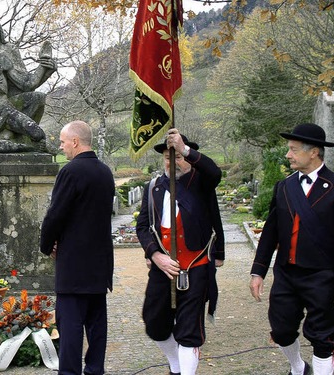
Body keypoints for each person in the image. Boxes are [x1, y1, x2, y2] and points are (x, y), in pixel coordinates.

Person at [136, 129, 225, 375]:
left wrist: (184, 148)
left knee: (189, 331)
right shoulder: (153, 187)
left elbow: (215, 172)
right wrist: (155, 255)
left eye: (177, 157)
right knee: (154, 324)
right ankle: (175, 366)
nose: (172, 162)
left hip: (195, 267)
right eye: (167, 157)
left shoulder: (201, 183)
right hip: (162, 267)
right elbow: (143, 226)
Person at [250, 123, 334, 375]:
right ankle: (298, 368)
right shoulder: (284, 187)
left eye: (293, 150)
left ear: (314, 153)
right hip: (287, 273)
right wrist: (258, 272)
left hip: (323, 274)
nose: (288, 155)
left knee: (322, 336)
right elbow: (270, 232)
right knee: (281, 330)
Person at [39, 120, 115, 375]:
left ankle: (69, 372)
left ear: (75, 141)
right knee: (96, 325)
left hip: (73, 264)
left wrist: (47, 244)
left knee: (70, 326)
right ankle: (95, 370)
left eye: (62, 142)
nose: (61, 147)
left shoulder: (71, 171)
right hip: (99, 264)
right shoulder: (105, 172)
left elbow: (56, 214)